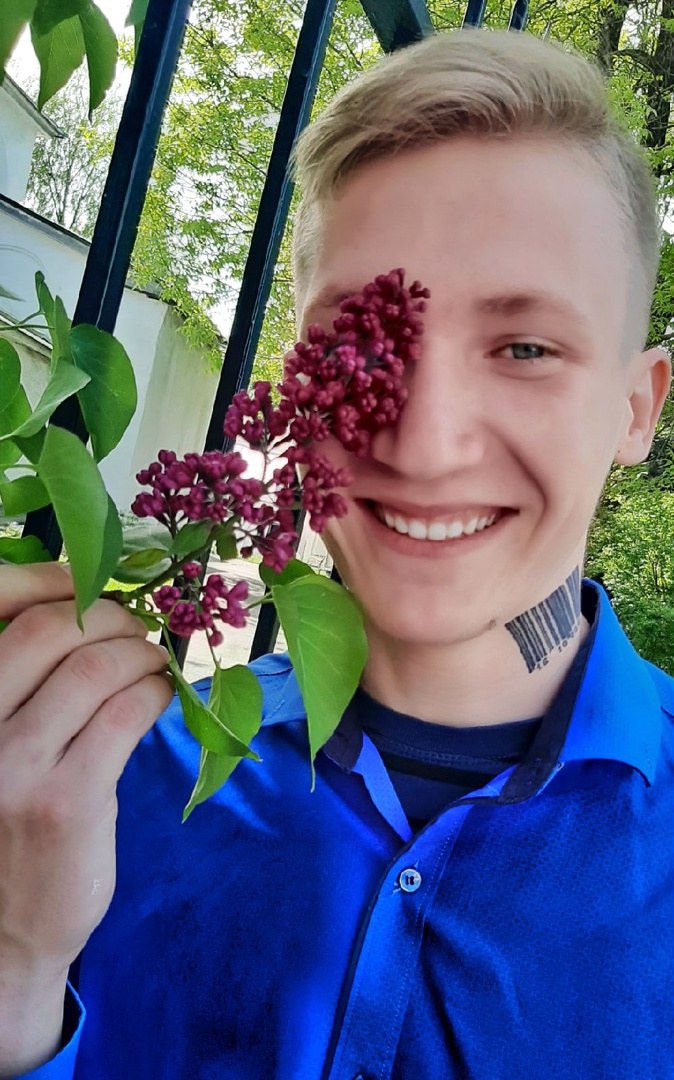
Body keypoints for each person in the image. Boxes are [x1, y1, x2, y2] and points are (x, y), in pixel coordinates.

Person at [0, 27, 672, 1080]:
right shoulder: (82, 786)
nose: (421, 441)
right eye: (358, 348)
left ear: (636, 410)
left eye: (524, 348)